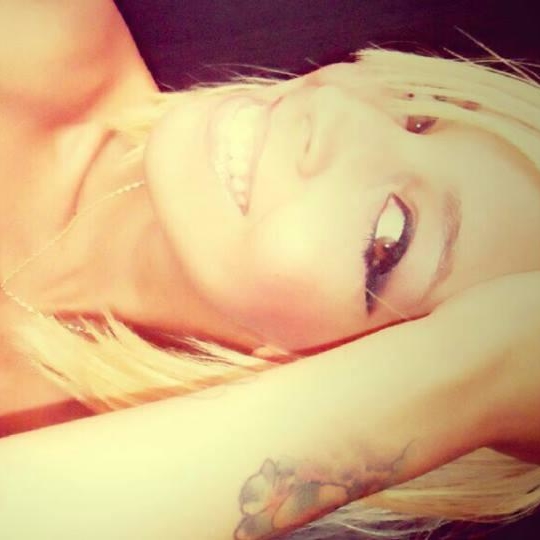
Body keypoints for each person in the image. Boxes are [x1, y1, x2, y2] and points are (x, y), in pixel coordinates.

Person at [0, 2, 538, 539]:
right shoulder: (42, 35)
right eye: (418, 116)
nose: (337, 104)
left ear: (346, 372)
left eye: (391, 233)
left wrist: (484, 377)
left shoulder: (79, 470)